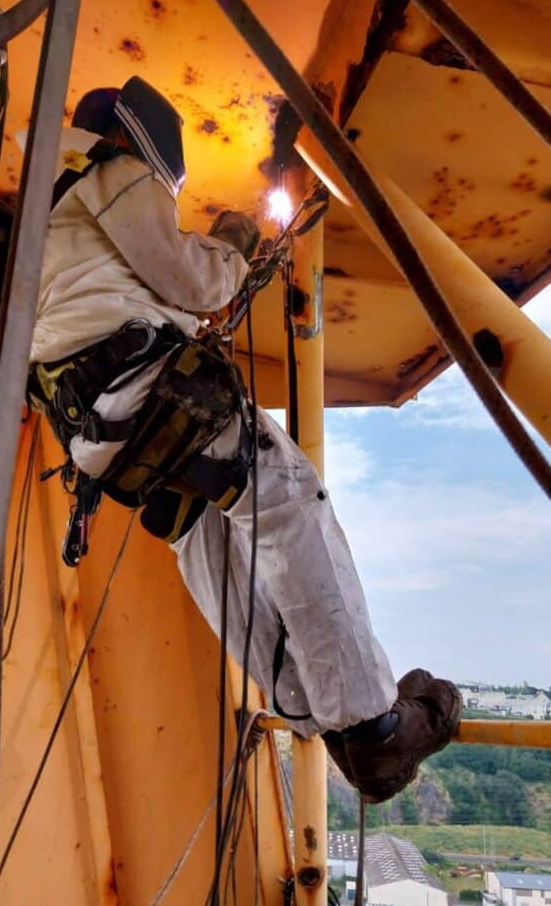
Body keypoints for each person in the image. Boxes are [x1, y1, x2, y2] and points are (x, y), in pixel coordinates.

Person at [29, 75, 461, 804]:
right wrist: (231, 241)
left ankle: (310, 709)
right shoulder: (110, 169)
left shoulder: (44, 222)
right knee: (289, 503)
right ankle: (373, 727)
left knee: (207, 538)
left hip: (94, 432)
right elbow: (192, 282)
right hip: (147, 390)